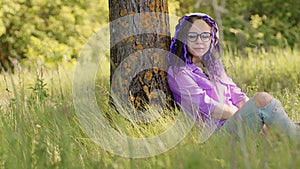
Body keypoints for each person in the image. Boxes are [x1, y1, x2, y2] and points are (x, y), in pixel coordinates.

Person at [167, 13, 299, 140]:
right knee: (263, 99)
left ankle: (289, 139)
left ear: (212, 38)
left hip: (236, 122)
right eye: (193, 36)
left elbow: (238, 96)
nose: (199, 41)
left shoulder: (214, 68)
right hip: (216, 135)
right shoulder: (179, 72)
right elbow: (207, 107)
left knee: (285, 124)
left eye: (205, 36)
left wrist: (259, 119)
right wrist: (245, 116)